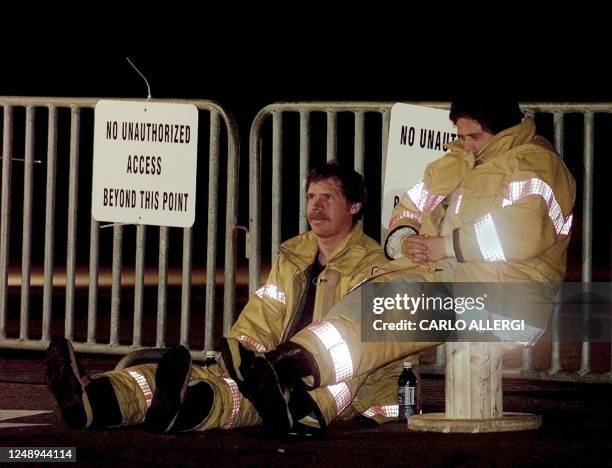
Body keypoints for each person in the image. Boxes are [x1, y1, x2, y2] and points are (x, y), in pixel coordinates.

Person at [228, 96, 576, 435]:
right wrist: (403, 237)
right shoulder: (455, 162)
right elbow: (409, 206)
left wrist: (444, 246)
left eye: (474, 137)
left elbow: (521, 232)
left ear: (504, 130)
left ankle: (290, 368)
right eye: (461, 136)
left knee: (386, 311)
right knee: (374, 301)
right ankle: (290, 368)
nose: (467, 146)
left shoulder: (537, 164)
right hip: (453, 282)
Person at [47, 161, 407, 436]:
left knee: (237, 396)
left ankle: (186, 412)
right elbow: (262, 316)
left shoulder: (376, 268)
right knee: (168, 378)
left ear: (356, 206)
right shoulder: (295, 255)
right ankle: (96, 401)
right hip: (276, 370)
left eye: (328, 198)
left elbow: (358, 356)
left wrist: (290, 391)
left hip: (339, 385)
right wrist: (241, 359)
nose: (315, 207)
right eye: (311, 197)